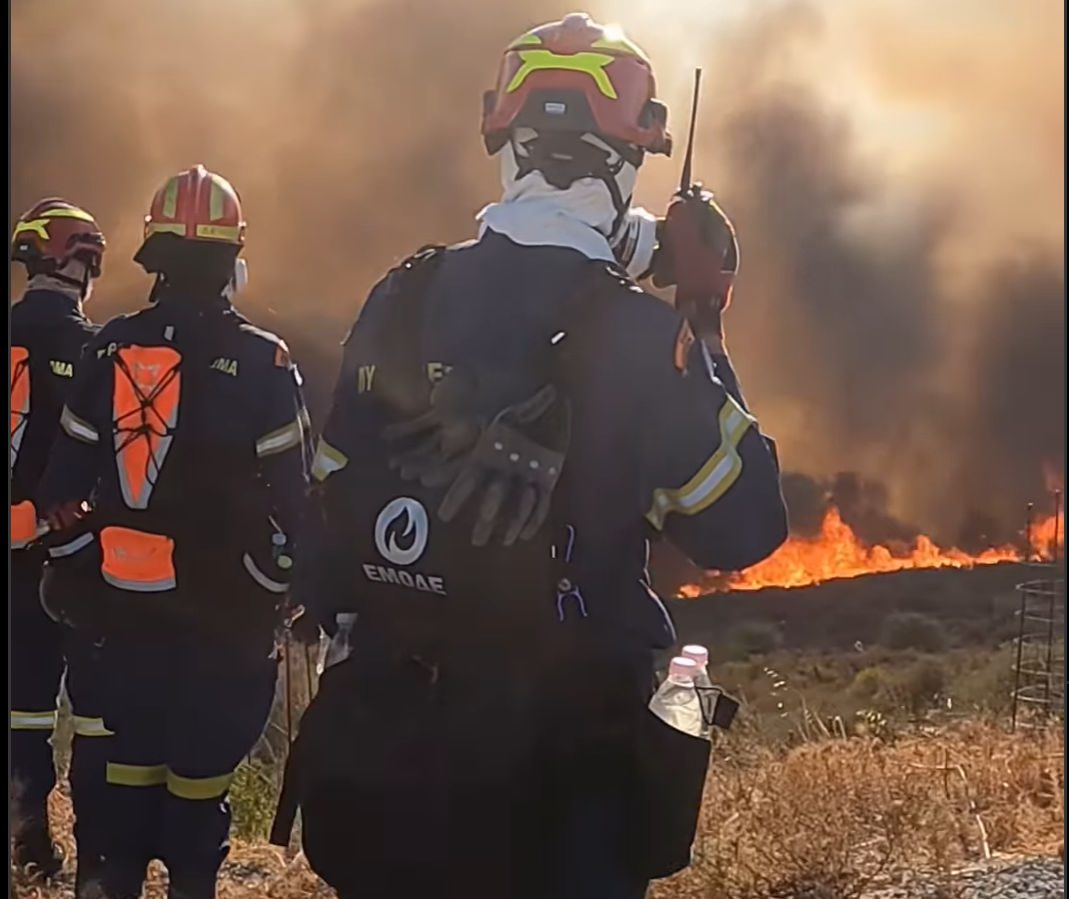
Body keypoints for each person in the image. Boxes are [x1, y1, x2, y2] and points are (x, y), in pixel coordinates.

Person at [279, 14, 788, 899]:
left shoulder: (400, 297)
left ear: (502, 142)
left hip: (385, 777)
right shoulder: (641, 336)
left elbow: (327, 515)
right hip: (564, 794)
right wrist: (702, 326)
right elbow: (743, 526)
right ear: (628, 162)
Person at [37, 164, 310, 899]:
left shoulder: (106, 349)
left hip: (119, 613)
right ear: (232, 260)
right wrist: (295, 586)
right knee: (199, 780)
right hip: (226, 620)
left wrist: (73, 566)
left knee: (117, 779)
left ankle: (107, 879)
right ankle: (191, 882)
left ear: (151, 257)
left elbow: (59, 492)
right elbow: (297, 502)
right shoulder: (264, 360)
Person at [10, 198, 107, 883]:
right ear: (85, 263)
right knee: (84, 707)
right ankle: (82, 847)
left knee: (21, 699)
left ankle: (25, 832)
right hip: (69, 557)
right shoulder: (94, 350)